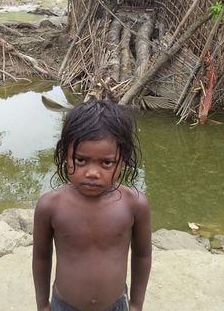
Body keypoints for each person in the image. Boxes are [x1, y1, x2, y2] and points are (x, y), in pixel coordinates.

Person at [32, 100, 152, 311]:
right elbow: (41, 257)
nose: (92, 173)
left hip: (116, 305)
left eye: (106, 163)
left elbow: (142, 255)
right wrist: (42, 305)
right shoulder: (50, 206)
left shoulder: (134, 205)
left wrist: (136, 304)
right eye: (81, 160)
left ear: (123, 160)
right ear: (65, 156)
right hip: (64, 306)